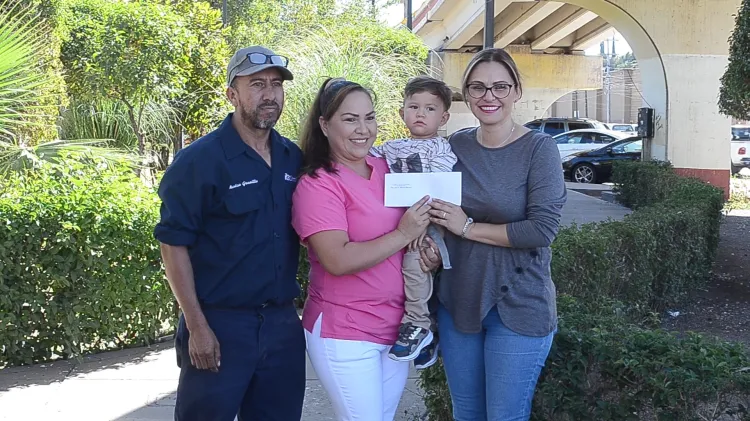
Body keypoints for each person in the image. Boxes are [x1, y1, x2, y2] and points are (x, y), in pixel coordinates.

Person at [153, 46, 306, 421]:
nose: (269, 94)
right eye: (256, 84)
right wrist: (197, 326)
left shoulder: (292, 158)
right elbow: (173, 245)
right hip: (219, 325)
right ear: (232, 94)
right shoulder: (199, 161)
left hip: (282, 326)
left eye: (275, 85)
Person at [426, 48, 568, 420]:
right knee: (467, 413)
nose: (489, 96)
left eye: (500, 87)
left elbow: (541, 229)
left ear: (517, 91)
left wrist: (468, 227)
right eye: (478, 88)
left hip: (518, 306)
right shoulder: (453, 147)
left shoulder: (540, 149)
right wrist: (431, 243)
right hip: (458, 301)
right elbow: (431, 207)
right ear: (467, 94)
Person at [291, 77, 433, 420]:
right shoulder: (317, 184)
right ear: (324, 125)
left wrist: (430, 251)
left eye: (369, 117)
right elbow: (337, 259)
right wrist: (403, 234)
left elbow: (417, 231)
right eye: (350, 119)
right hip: (346, 331)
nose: (363, 129)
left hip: (395, 329)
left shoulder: (388, 169)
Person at [369, 75, 455, 367]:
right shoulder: (390, 147)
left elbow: (442, 190)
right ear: (401, 112)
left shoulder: (442, 149)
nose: (421, 113)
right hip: (400, 221)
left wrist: (426, 226)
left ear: (443, 117)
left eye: (430, 109)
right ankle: (429, 335)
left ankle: (417, 324)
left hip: (428, 222)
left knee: (414, 266)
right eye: (414, 106)